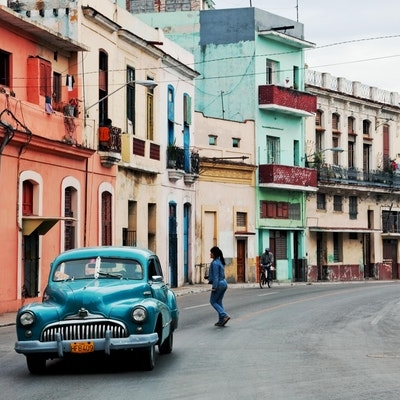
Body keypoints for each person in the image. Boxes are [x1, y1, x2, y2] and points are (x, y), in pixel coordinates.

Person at [208, 246, 230, 327]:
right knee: (219, 302)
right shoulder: (220, 261)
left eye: (211, 253)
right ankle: (221, 321)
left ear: (214, 254)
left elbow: (216, 276)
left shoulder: (214, 263)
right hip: (224, 283)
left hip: (219, 284)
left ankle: (224, 315)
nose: (210, 254)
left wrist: (214, 287)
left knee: (213, 301)